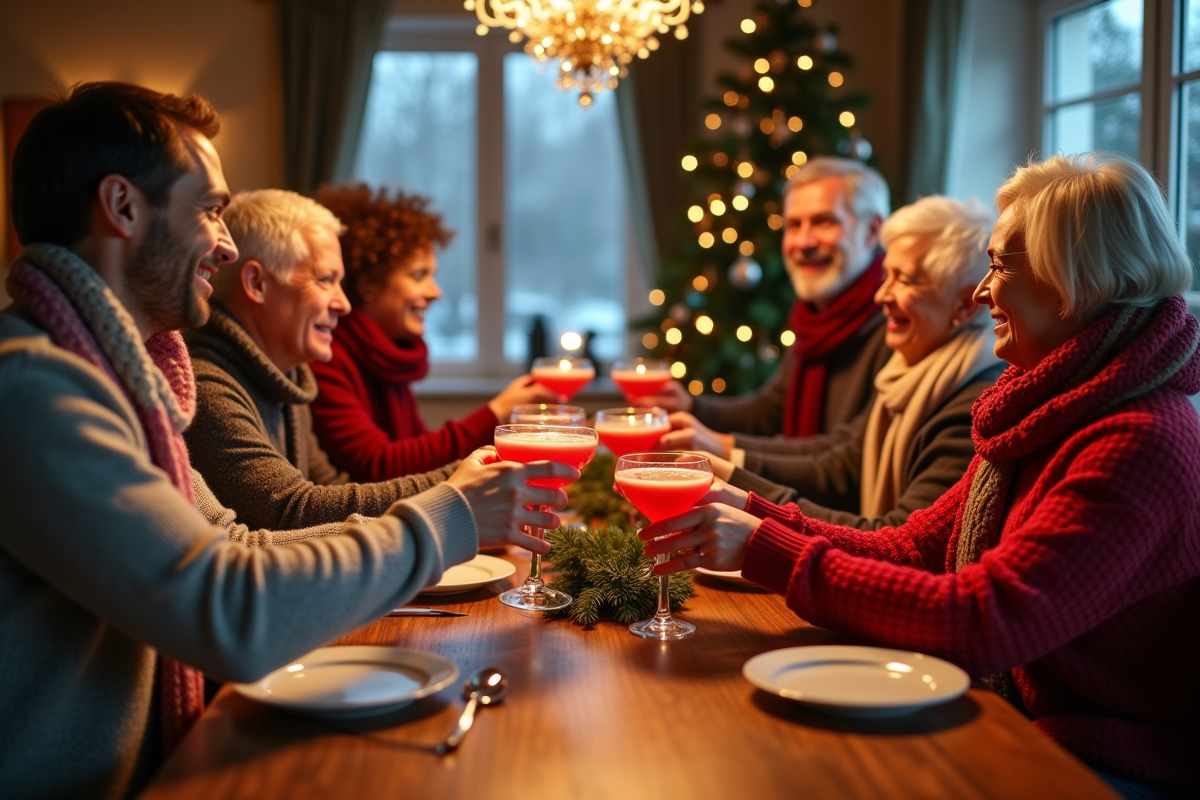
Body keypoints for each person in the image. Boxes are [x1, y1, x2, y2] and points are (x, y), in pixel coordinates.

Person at [0, 82, 571, 799]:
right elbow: (227, 610)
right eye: (209, 209)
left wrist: (452, 504)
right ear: (121, 208)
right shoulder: (33, 389)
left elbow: (236, 544)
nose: (228, 242)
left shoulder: (120, 383)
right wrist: (451, 515)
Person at [641, 153, 1200, 798]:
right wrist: (745, 506)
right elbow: (913, 548)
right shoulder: (1047, 406)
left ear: (1070, 282)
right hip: (1027, 720)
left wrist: (761, 547)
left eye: (998, 266)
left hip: (1104, 758)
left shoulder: (1137, 440)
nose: (982, 291)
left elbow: (985, 621)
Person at [698, 196, 1004, 530]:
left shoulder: (976, 406)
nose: (881, 295)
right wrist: (727, 460)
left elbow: (897, 537)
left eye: (905, 280)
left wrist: (741, 488)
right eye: (887, 275)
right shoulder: (909, 371)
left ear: (966, 305)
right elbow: (845, 463)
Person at [185, 189, 464, 531]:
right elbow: (291, 511)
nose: (344, 304)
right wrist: (459, 482)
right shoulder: (207, 387)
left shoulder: (287, 379)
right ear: (256, 283)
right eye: (325, 280)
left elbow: (329, 489)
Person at [635, 157, 893, 447]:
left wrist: (725, 447)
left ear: (872, 230)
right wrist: (691, 407)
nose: (804, 242)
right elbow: (772, 411)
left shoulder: (896, 324)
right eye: (794, 225)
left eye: (823, 222)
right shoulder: (813, 317)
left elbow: (842, 460)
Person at [309, 184, 555, 482]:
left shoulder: (385, 354)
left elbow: (419, 452)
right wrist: (496, 411)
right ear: (368, 285)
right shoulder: (326, 356)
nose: (435, 291)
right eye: (418, 275)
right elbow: (379, 464)